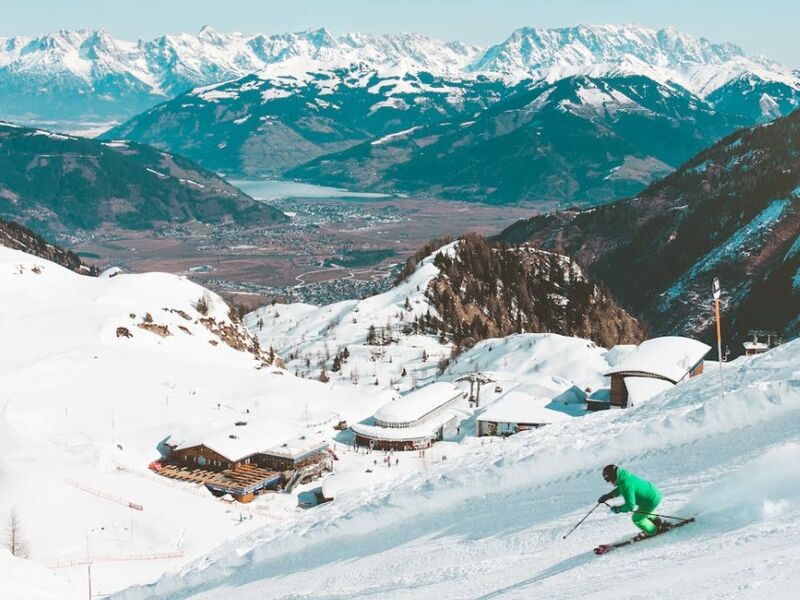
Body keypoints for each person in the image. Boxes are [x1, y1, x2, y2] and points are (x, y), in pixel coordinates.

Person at [598, 464, 664, 537]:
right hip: (653, 492)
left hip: (650, 500)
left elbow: (630, 506)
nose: (610, 483)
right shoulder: (624, 477)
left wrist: (618, 509)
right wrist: (608, 496)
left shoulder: (626, 484)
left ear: (613, 477)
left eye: (609, 480)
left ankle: (653, 531)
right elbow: (621, 488)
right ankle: (657, 522)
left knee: (637, 518)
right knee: (643, 512)